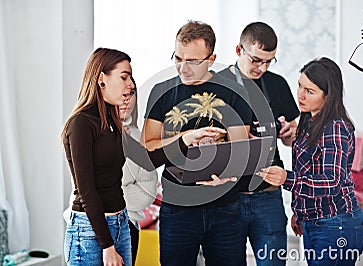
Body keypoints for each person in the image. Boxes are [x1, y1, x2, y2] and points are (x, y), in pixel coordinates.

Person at [61, 47, 227, 266]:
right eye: (124, 77)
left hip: (121, 224)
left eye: (131, 77)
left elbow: (149, 159)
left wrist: (187, 139)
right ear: (101, 78)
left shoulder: (114, 125)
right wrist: (107, 246)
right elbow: (87, 191)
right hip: (91, 231)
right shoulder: (81, 124)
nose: (131, 85)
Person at [142, 21, 252, 265]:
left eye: (193, 61)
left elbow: (242, 148)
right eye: (178, 58)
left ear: (211, 59)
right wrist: (183, 139)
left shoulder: (234, 91)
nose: (183, 68)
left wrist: (230, 174)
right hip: (177, 208)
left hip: (226, 208)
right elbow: (147, 149)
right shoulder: (162, 91)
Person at [260, 57, 363, 265]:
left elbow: (331, 181)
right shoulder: (309, 120)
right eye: (300, 86)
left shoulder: (335, 127)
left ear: (328, 97)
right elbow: (309, 164)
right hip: (316, 221)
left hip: (336, 224)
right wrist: (300, 214)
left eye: (309, 91)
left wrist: (286, 179)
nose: (300, 95)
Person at [219, 22, 299, 265]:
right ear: (238, 50)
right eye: (256, 60)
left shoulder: (277, 84)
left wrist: (288, 133)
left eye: (269, 61)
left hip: (268, 196)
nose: (262, 68)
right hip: (226, 197)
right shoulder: (216, 85)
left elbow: (292, 136)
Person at [119, 79, 158, 265]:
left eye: (131, 94)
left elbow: (147, 192)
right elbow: (84, 189)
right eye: (121, 93)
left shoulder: (139, 138)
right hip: (91, 228)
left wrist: (109, 195)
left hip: (129, 227)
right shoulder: (89, 132)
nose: (126, 100)